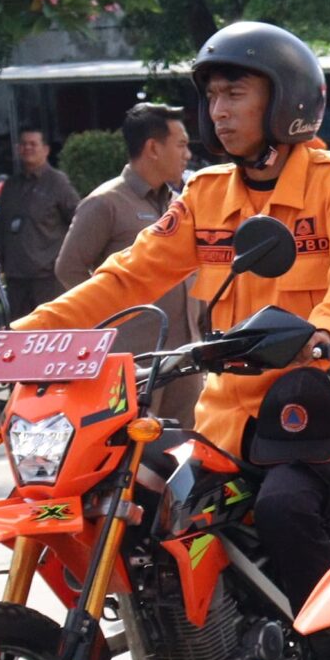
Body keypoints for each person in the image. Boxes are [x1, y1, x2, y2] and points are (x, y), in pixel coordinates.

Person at [12, 23, 330, 660]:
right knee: (136, 527)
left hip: (304, 408)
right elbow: (130, 276)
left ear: (284, 101)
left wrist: (328, 333)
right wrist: (27, 335)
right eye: (212, 97)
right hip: (221, 419)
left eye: (237, 95)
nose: (219, 112)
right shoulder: (206, 194)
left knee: (292, 509)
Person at [56, 101, 198, 427]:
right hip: (134, 361)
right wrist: (114, 322)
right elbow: (69, 269)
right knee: (131, 456)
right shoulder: (105, 203)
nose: (187, 154)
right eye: (181, 145)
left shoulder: (179, 205)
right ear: (153, 148)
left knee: (183, 453)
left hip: (184, 357)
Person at [0, 126, 81, 319]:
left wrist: (66, 260)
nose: (28, 148)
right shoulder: (11, 186)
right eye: (24, 144)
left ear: (46, 149)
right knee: (19, 333)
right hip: (16, 277)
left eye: (33, 144)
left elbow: (79, 220)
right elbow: (0, 226)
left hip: (47, 278)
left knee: (51, 332)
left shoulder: (57, 183)